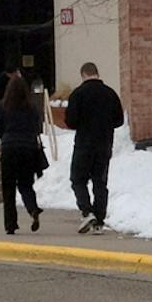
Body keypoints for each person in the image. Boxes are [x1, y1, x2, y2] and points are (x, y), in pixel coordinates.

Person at [63, 62, 124, 234]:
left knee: (78, 179)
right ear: (97, 73)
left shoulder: (78, 94)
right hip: (104, 144)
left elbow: (71, 121)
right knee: (100, 182)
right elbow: (119, 120)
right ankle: (99, 221)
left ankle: (87, 211)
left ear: (83, 75)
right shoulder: (110, 94)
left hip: (84, 144)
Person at [0, 72, 46, 236]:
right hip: (28, 148)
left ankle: (11, 224)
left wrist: (7, 138)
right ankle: (32, 208)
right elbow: (37, 126)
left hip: (9, 148)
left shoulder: (3, 105)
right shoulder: (32, 107)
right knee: (25, 184)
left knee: (8, 188)